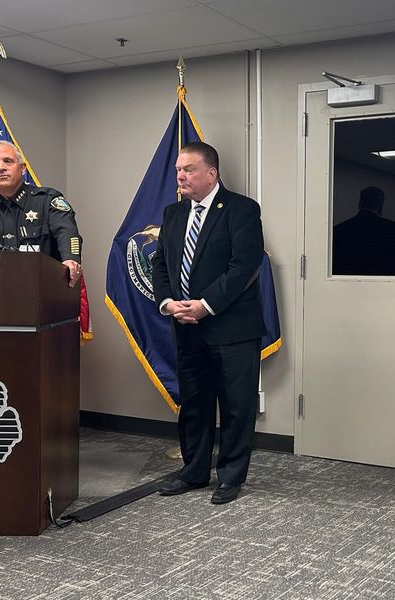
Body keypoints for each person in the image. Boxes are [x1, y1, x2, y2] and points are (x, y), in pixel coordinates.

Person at [151, 141, 265, 505]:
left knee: (236, 404)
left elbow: (244, 266)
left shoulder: (242, 209)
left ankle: (231, 477)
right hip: (185, 326)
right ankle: (194, 471)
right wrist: (170, 303)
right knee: (195, 404)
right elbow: (161, 266)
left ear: (211, 173)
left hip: (232, 328)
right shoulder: (172, 214)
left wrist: (205, 305)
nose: (180, 176)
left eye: (188, 169)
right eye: (178, 170)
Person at [0, 140, 83, 287]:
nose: (1, 168)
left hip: (41, 294)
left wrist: (71, 259)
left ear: (23, 168)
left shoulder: (47, 201)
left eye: (8, 161)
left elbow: (67, 232)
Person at [332, 186, 395, 276]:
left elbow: (335, 266)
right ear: (380, 205)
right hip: (382, 286)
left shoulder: (339, 229)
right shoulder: (392, 229)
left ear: (359, 204)